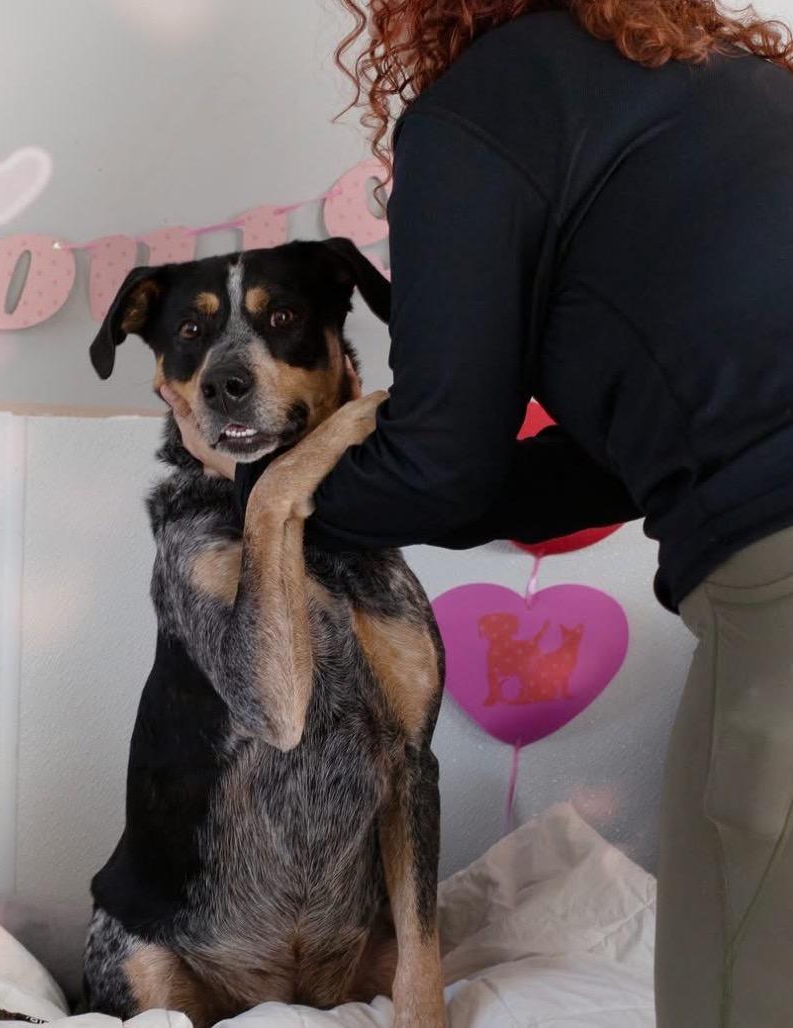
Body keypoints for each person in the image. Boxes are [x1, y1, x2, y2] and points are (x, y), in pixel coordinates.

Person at [160, 3, 793, 1025]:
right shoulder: (725, 81)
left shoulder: (478, 114)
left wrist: (265, 491)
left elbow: (438, 470)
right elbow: (609, 460)